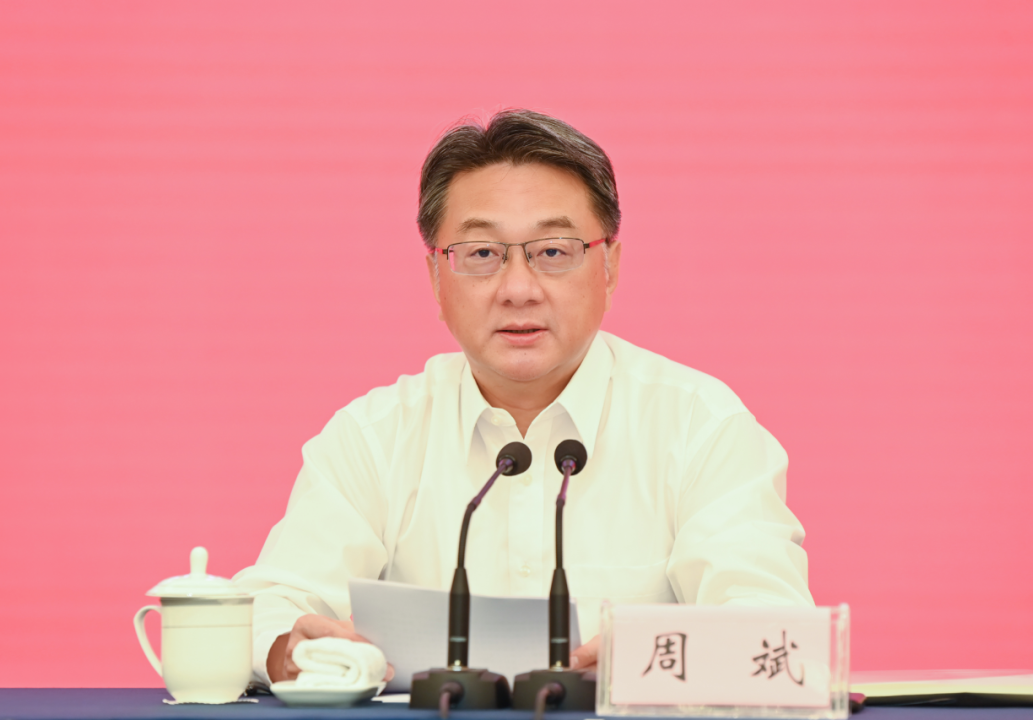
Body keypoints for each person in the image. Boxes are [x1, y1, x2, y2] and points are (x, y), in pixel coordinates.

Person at [233, 109, 813, 686]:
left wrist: (647, 657)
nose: (517, 289)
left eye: (553, 251)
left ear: (609, 267)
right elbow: (267, 607)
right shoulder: (374, 437)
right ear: (436, 278)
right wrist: (286, 649)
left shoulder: (699, 426)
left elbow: (773, 626)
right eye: (482, 254)